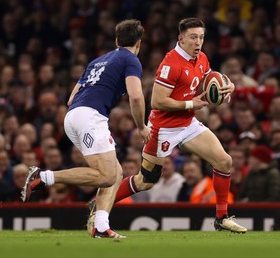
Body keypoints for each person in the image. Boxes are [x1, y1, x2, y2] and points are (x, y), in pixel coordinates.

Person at [88, 17, 246, 233]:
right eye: (193, 37)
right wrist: (192, 102)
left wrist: (227, 85)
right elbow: (157, 101)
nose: (198, 42)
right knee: (145, 181)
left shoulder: (201, 58)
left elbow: (209, 78)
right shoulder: (170, 64)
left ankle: (221, 218)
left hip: (188, 123)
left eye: (201, 37)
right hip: (163, 128)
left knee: (224, 161)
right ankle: (99, 205)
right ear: (181, 38)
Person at [20, 19, 151, 238]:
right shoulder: (131, 59)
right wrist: (141, 127)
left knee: (116, 173)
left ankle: (101, 225)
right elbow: (136, 96)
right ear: (139, 43)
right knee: (107, 176)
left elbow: (71, 98)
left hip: (74, 116)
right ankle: (43, 177)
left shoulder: (97, 61)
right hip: (91, 116)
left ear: (117, 40)